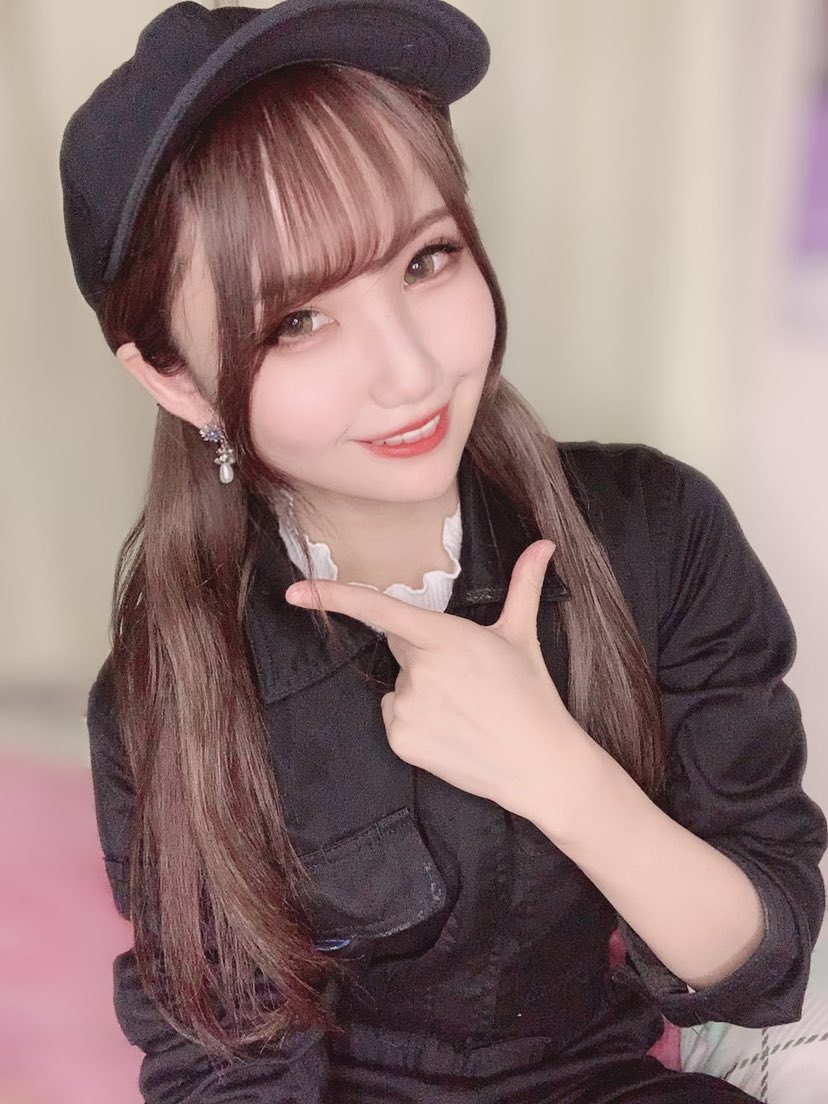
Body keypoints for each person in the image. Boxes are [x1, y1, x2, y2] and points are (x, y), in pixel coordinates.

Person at [59, 2, 827, 1102]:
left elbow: (764, 960)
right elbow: (224, 1073)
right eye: (296, 321)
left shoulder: (658, 533)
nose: (411, 372)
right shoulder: (171, 689)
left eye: (427, 260)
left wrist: (556, 771)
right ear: (175, 378)